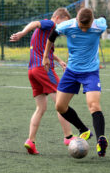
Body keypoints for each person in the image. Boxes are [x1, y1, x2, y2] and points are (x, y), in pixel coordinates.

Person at [10, 8, 92, 155]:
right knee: (61, 104)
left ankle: (31, 141)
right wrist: (22, 33)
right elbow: (35, 23)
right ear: (59, 18)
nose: (65, 26)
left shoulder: (47, 34)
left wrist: (59, 60)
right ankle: (68, 136)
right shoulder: (50, 24)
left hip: (32, 71)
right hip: (43, 69)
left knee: (41, 108)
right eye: (65, 22)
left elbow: (45, 51)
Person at [42, 7, 108, 157]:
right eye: (81, 26)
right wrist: (46, 56)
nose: (84, 30)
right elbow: (52, 36)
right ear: (76, 20)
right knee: (60, 106)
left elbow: (103, 18)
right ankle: (83, 129)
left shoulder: (99, 25)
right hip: (71, 71)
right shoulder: (67, 25)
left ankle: (101, 140)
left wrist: (100, 17)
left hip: (91, 72)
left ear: (92, 21)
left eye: (87, 27)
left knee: (94, 105)